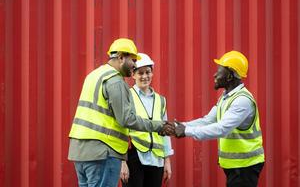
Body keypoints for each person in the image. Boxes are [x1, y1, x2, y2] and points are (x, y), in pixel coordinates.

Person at [68, 38, 174, 187]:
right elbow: (127, 119)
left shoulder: (93, 75)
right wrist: (159, 126)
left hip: (80, 151)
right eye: (133, 60)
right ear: (121, 57)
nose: (134, 65)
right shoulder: (115, 81)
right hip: (102, 152)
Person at [175, 51, 265, 187]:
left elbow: (222, 128)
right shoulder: (226, 97)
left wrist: (186, 131)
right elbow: (208, 120)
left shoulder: (242, 100)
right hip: (236, 167)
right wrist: (179, 126)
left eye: (219, 71)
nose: (215, 75)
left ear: (229, 76)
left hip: (245, 167)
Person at [120, 53, 173, 187]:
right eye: (140, 73)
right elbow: (121, 129)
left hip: (156, 159)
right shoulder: (128, 96)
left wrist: (167, 161)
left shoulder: (161, 100)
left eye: (148, 72)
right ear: (133, 75)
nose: (144, 76)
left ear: (152, 73)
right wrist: (122, 161)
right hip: (134, 157)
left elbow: (165, 133)